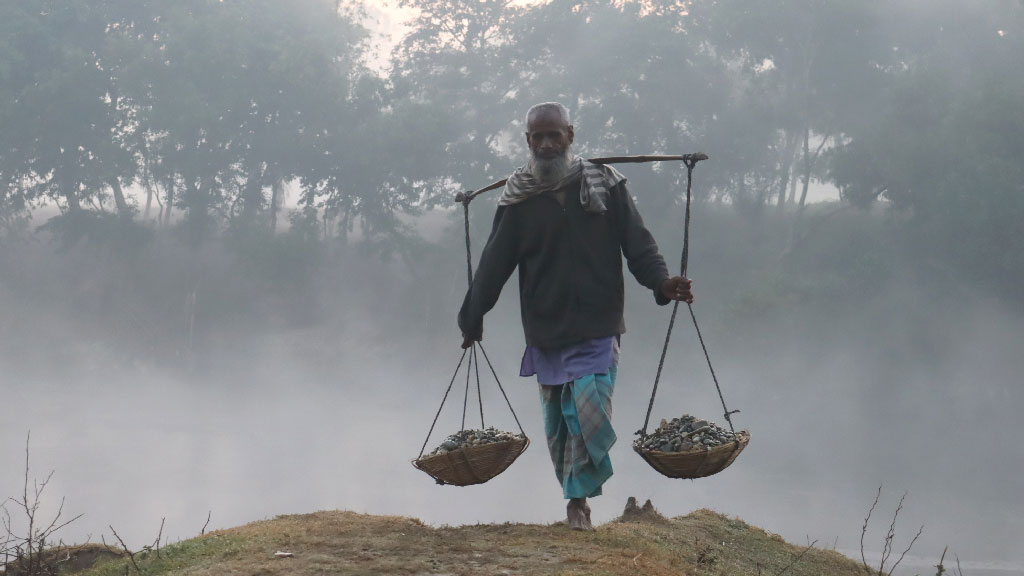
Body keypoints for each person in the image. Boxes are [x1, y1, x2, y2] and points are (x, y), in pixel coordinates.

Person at [458, 102, 693, 530]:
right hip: (546, 328)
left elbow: (639, 245)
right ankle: (575, 500)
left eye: (554, 135)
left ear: (571, 134)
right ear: (528, 142)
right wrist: (471, 319)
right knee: (559, 425)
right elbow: (493, 266)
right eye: (538, 137)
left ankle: (579, 500)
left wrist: (662, 284)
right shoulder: (518, 199)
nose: (547, 144)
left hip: (598, 324)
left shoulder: (605, 185)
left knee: (587, 410)